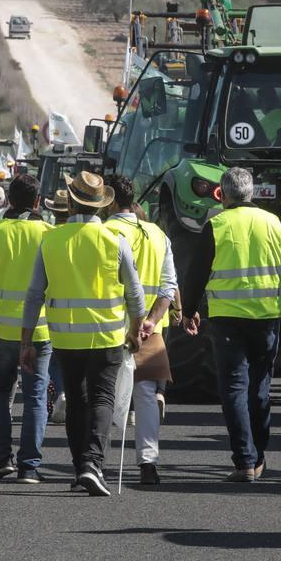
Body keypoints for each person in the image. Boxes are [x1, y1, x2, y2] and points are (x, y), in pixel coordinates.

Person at [21, 171, 146, 497]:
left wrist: (26, 341)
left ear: (72, 202)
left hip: (65, 336)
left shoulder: (50, 240)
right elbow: (135, 294)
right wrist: (136, 330)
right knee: (103, 398)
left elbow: (35, 294)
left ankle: (81, 469)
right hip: (108, 337)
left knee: (77, 400)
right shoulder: (115, 240)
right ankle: (92, 465)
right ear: (100, 206)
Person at [180, 167, 281, 482]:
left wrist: (189, 311)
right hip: (266, 319)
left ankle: (244, 461)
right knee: (260, 389)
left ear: (221, 195)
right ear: (252, 193)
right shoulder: (274, 224)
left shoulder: (217, 225)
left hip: (227, 320)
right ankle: (259, 455)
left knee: (235, 388)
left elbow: (196, 274)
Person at [0, 174, 53, 484]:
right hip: (39, 331)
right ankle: (29, 466)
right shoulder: (50, 235)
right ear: (38, 202)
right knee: (35, 396)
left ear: (9, 199)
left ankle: (0, 459)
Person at [103, 175, 176, 486]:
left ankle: (98, 460)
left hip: (110, 324)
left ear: (108, 200)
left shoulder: (105, 232)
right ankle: (148, 462)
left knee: (103, 393)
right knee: (146, 394)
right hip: (149, 328)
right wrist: (152, 321)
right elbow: (168, 286)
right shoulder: (157, 233)